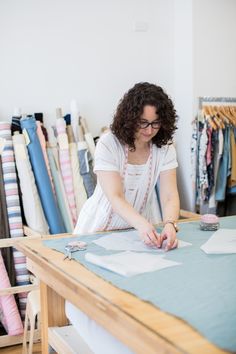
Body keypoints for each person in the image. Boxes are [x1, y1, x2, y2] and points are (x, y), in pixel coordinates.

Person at [74, 82, 180, 251]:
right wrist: (142, 225)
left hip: (136, 232)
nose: (149, 130)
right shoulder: (109, 144)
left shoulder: (165, 149)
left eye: (156, 123)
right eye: (143, 122)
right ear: (130, 118)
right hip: (97, 228)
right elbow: (116, 197)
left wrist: (170, 224)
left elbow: (169, 195)